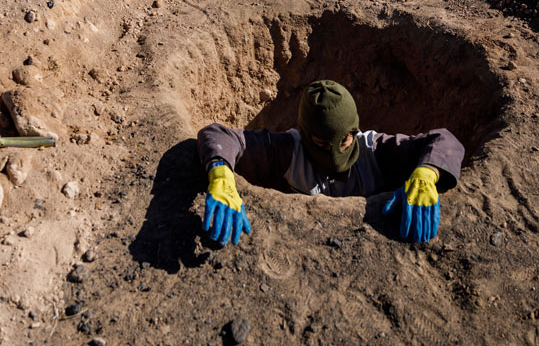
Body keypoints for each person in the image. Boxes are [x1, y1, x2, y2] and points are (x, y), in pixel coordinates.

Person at [197, 79, 465, 245]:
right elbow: (218, 135)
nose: (335, 153)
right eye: (322, 143)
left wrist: (426, 173)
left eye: (345, 140)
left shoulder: (373, 148)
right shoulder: (289, 150)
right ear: (306, 134)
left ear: (355, 129)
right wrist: (221, 174)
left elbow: (443, 140)